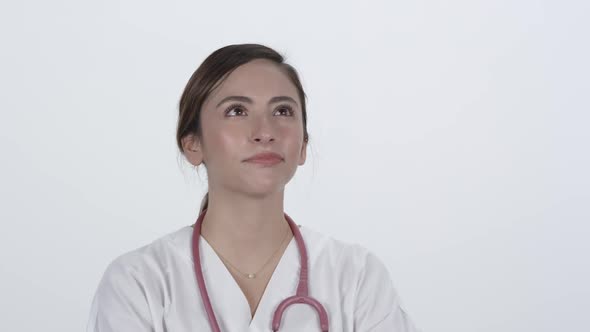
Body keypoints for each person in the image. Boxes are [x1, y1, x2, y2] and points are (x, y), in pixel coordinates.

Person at [86, 43, 420, 331]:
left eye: (283, 111)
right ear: (192, 144)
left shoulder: (356, 277)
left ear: (303, 145)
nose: (265, 131)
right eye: (237, 110)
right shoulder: (139, 283)